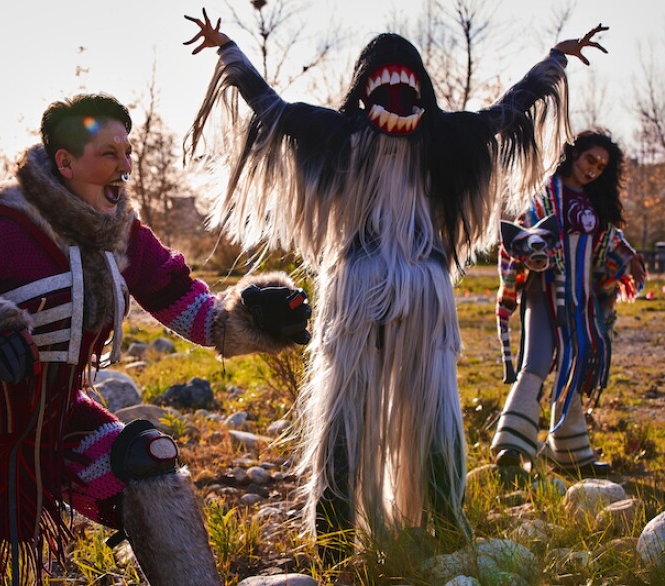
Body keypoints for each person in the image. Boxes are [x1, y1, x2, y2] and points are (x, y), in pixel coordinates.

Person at [0, 93, 312, 586]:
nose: (124, 165)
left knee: (148, 467)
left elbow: (185, 304)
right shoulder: (5, 228)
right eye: (108, 153)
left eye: (127, 152)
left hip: (54, 415)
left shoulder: (125, 234)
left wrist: (256, 318)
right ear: (65, 162)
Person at [184, 8, 607, 557]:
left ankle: (443, 529)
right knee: (346, 416)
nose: (397, 94)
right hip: (362, 295)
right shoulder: (338, 136)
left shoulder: (445, 139)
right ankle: (338, 539)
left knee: (432, 417)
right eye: (384, 79)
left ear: (421, 91)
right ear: (364, 90)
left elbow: (510, 112)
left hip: (420, 300)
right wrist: (230, 53)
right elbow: (271, 109)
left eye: (406, 82)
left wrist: (553, 63)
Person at [492, 129, 646, 477]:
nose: (594, 169)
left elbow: (609, 243)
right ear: (573, 154)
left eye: (602, 166)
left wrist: (630, 258)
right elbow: (522, 233)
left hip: (582, 300)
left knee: (576, 364)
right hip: (544, 294)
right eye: (590, 159)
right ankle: (511, 448)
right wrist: (532, 250)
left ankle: (570, 453)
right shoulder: (545, 194)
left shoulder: (596, 204)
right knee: (537, 360)